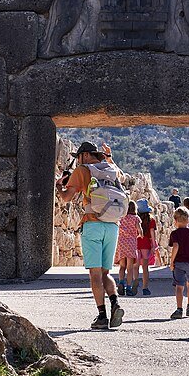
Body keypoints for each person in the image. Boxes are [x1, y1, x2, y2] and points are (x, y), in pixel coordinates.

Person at [57, 141, 126, 330]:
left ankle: (102, 316)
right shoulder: (111, 169)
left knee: (95, 274)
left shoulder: (82, 171)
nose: (78, 161)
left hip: (93, 225)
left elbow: (66, 198)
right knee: (105, 273)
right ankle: (116, 304)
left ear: (85, 155)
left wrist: (59, 187)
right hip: (113, 226)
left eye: (78, 157)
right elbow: (122, 179)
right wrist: (110, 157)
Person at [167, 207, 189, 319]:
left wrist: (172, 262)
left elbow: (175, 246)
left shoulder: (175, 234)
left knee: (179, 287)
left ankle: (179, 309)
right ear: (188, 220)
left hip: (179, 263)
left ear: (175, 220)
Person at [114, 206, 141, 297]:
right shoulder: (136, 218)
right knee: (130, 268)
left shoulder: (121, 218)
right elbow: (140, 231)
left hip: (121, 243)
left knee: (122, 266)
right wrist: (139, 235)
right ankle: (129, 287)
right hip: (131, 244)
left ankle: (121, 282)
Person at [134, 199, 156, 296]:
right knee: (145, 267)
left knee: (136, 266)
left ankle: (135, 283)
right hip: (146, 244)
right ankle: (145, 287)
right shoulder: (151, 220)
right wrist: (153, 245)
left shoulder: (135, 219)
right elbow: (152, 233)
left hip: (136, 243)